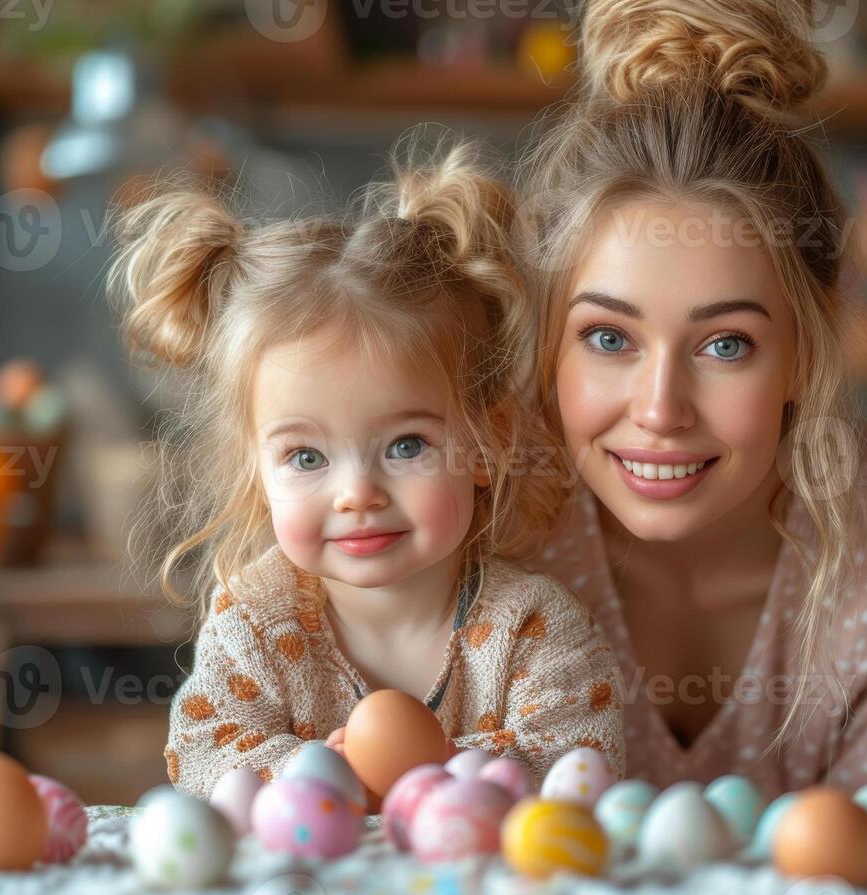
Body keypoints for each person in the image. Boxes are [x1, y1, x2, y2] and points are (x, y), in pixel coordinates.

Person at [520, 0, 867, 800]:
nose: (659, 410)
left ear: (805, 349)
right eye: (608, 338)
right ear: (547, 337)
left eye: (726, 346)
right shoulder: (474, 529)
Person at [110, 141, 624, 799]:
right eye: (305, 458)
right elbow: (202, 756)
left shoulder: (532, 627)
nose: (356, 494)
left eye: (406, 446)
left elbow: (580, 760)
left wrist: (399, 763)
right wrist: (325, 771)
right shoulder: (258, 622)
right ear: (256, 471)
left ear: (486, 443)